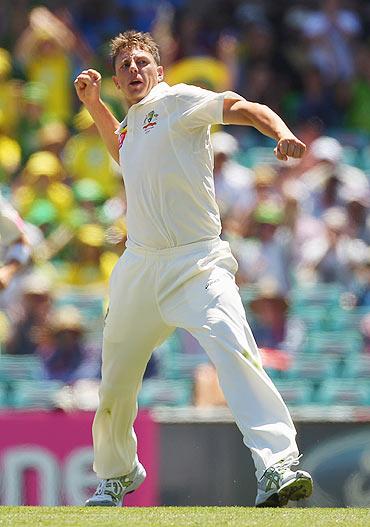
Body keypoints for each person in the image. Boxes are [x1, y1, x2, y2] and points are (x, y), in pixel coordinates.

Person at [74, 30, 313, 508]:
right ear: (119, 80)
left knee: (235, 351)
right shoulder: (132, 121)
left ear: (159, 70)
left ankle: (277, 464)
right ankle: (117, 475)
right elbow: (122, 152)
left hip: (197, 262)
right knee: (116, 380)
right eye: (125, 66)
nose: (134, 71)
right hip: (140, 266)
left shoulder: (180, 100)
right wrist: (96, 106)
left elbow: (243, 108)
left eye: (142, 62)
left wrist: (283, 133)